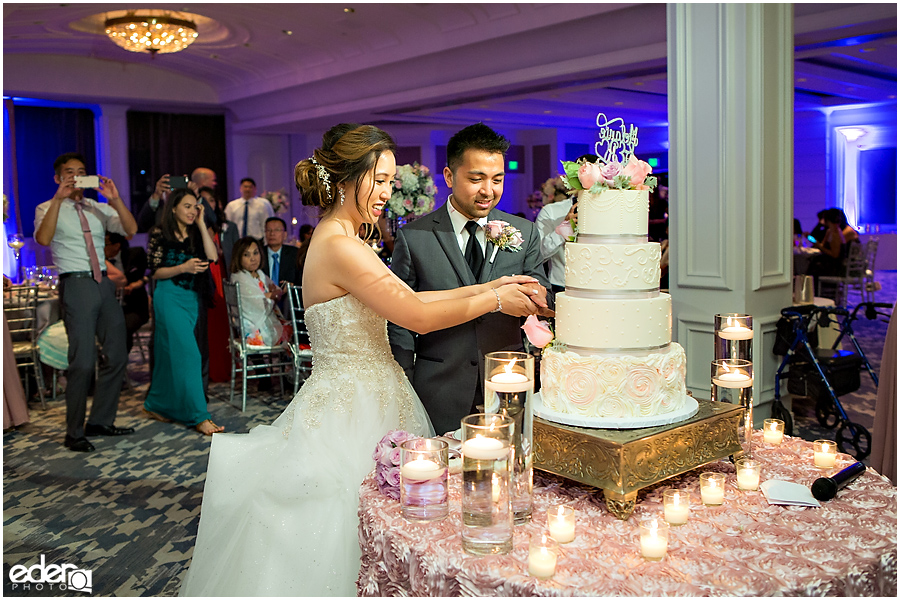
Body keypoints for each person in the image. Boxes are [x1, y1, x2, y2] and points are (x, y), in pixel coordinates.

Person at [180, 124, 544, 596]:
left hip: (373, 392)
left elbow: (415, 296)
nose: (387, 193)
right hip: (350, 410)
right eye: (381, 180)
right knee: (351, 529)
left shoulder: (346, 239)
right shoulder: (339, 245)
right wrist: (495, 301)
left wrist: (492, 286)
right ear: (347, 179)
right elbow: (416, 313)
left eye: (392, 182)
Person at [388, 123, 552, 435]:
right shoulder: (415, 237)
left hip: (506, 379)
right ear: (450, 176)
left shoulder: (524, 230)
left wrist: (538, 295)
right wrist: (403, 382)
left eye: (497, 179)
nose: (488, 190)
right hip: (440, 385)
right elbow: (399, 320)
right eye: (476, 179)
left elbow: (539, 287)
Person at [34, 152, 137, 452]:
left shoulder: (97, 207)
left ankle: (100, 420)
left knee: (117, 354)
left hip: (102, 281)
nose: (76, 177)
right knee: (82, 361)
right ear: (58, 177)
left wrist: (115, 199)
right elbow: (43, 239)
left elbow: (130, 229)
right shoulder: (46, 206)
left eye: (81, 172)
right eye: (69, 172)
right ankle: (74, 431)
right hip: (75, 283)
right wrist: (58, 199)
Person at [142, 189, 223, 436]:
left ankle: (155, 404)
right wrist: (183, 267)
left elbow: (212, 257)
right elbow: (154, 272)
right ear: (174, 208)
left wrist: (201, 224)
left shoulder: (196, 232)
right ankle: (199, 416)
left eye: (194, 206)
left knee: (167, 355)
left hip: (191, 298)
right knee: (190, 354)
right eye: (187, 206)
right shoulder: (159, 233)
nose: (191, 211)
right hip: (168, 296)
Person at [229, 236, 291, 347]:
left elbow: (274, 289)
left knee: (289, 327)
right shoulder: (239, 277)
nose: (253, 258)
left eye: (255, 253)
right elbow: (258, 302)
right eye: (246, 255)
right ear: (238, 257)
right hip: (252, 328)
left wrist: (278, 291)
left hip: (264, 323)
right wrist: (274, 294)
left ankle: (279, 363)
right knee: (289, 333)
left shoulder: (260, 274)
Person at [261, 217, 302, 289]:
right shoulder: (259, 254)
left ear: (285, 234)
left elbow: (301, 281)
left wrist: (291, 286)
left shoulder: (295, 254)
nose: (272, 233)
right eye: (268, 230)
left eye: (277, 230)